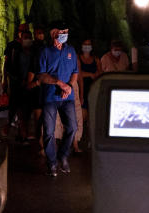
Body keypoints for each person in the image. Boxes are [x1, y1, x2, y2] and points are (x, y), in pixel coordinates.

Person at [36, 20, 80, 176]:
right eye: (62, 32)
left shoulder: (71, 51)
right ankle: (52, 162)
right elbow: (41, 76)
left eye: (66, 31)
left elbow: (75, 72)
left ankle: (63, 156)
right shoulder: (45, 52)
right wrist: (59, 83)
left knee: (73, 127)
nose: (65, 35)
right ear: (54, 33)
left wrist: (69, 87)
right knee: (49, 131)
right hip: (50, 97)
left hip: (67, 97)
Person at [76, 39, 102, 152]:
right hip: (82, 90)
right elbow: (78, 74)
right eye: (85, 44)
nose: (87, 46)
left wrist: (94, 75)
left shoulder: (96, 60)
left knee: (92, 119)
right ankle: (76, 142)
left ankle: (91, 141)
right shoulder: (78, 58)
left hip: (93, 89)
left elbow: (100, 73)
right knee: (82, 117)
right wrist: (91, 74)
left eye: (89, 44)